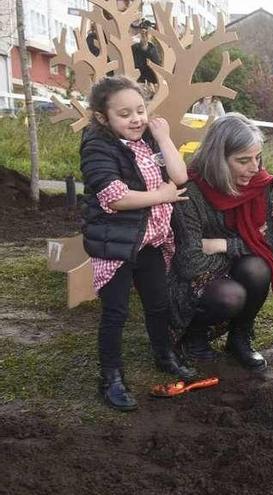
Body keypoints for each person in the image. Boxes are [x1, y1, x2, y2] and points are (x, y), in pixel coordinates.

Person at [80, 76, 193, 411]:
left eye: (140, 110)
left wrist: (163, 136)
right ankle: (111, 377)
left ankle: (164, 355)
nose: (136, 119)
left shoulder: (146, 141)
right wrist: (162, 195)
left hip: (149, 242)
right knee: (116, 312)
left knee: (158, 305)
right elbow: (114, 197)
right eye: (125, 114)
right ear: (103, 118)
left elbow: (180, 176)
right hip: (116, 245)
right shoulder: (98, 146)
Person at [169, 113, 273, 372]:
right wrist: (246, 244)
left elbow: (270, 243)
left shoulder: (260, 186)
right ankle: (193, 336)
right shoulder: (190, 192)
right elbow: (189, 263)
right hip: (190, 282)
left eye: (257, 157)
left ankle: (239, 338)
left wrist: (221, 245)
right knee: (231, 294)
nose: (255, 168)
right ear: (218, 159)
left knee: (258, 269)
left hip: (221, 261)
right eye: (243, 160)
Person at [131, 19, 161, 91]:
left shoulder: (154, 47)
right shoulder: (134, 46)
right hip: (134, 81)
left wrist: (145, 47)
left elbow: (156, 66)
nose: (144, 33)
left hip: (148, 84)